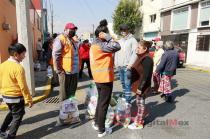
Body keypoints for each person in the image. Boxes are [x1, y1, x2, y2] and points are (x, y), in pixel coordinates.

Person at [90, 19, 121, 137]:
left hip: (98, 78)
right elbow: (117, 46)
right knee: (104, 104)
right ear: (101, 34)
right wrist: (108, 37)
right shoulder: (102, 45)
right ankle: (101, 130)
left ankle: (97, 123)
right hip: (105, 78)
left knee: (100, 102)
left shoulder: (94, 44)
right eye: (106, 33)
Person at [0, 43, 33, 139]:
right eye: (23, 54)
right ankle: (10, 136)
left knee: (12, 112)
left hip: (5, 96)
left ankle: (2, 130)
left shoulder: (2, 65)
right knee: (17, 117)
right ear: (16, 55)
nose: (24, 56)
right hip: (16, 97)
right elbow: (23, 86)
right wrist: (29, 99)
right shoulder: (18, 68)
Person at [128, 40, 153, 130]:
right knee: (139, 104)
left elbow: (146, 76)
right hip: (138, 85)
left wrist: (140, 88)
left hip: (142, 86)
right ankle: (139, 119)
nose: (137, 49)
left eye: (139, 47)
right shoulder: (141, 57)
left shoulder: (147, 59)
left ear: (145, 49)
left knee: (140, 104)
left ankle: (139, 123)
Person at [52, 22, 79, 102]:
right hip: (65, 71)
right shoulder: (60, 38)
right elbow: (56, 54)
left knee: (72, 92)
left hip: (74, 70)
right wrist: (59, 69)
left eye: (74, 30)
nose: (73, 31)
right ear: (65, 30)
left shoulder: (72, 40)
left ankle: (71, 107)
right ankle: (64, 110)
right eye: (71, 30)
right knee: (64, 93)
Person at [114, 24, 138, 103]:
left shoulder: (133, 40)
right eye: (121, 30)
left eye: (124, 30)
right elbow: (117, 53)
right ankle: (125, 96)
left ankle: (128, 100)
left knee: (127, 84)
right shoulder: (120, 41)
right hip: (120, 66)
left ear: (128, 30)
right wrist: (116, 63)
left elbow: (135, 53)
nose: (123, 32)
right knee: (123, 83)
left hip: (127, 66)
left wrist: (130, 65)